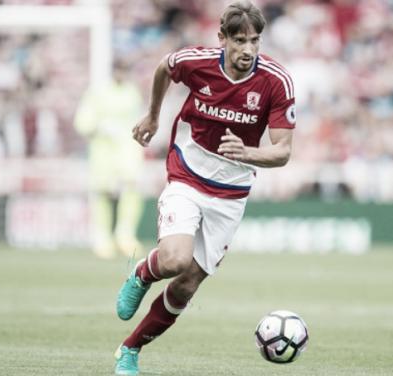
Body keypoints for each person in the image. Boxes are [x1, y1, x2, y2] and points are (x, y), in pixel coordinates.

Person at [113, 1, 296, 375]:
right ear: (223, 38)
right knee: (175, 260)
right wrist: (153, 115)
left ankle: (130, 349)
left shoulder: (276, 81)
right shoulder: (197, 62)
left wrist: (248, 153)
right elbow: (166, 67)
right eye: (240, 40)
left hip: (231, 194)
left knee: (185, 286)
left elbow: (282, 153)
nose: (248, 49)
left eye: (255, 40)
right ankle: (142, 275)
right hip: (188, 173)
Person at [74, 60, 145, 259]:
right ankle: (101, 238)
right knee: (102, 193)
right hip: (103, 151)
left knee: (131, 189)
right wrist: (100, 126)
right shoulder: (98, 92)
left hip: (128, 151)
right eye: (119, 70)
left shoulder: (133, 93)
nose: (122, 74)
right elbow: (83, 122)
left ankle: (126, 235)